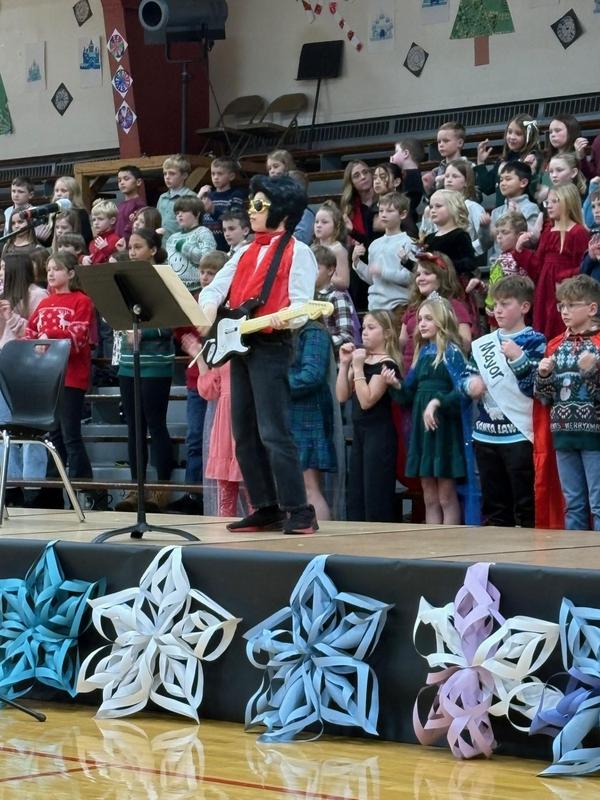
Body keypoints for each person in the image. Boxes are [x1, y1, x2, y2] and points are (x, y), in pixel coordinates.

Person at [198, 175, 318, 535]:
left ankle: (300, 509)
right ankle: (266, 506)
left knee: (273, 431)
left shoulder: (299, 251)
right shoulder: (243, 251)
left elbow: (302, 304)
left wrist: (287, 317)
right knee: (244, 432)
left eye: (260, 205)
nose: (252, 211)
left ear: (283, 212)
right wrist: (208, 307)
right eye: (252, 203)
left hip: (271, 344)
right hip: (241, 344)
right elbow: (216, 287)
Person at [385, 296, 478, 525]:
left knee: (446, 496)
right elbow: (408, 395)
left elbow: (463, 392)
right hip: (424, 432)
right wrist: (395, 384)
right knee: (429, 496)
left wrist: (438, 402)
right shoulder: (423, 354)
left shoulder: (452, 353)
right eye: (420, 319)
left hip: (444, 432)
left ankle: (449, 540)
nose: (422, 324)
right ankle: (432, 541)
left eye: (428, 318)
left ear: (442, 321)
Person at [463, 276, 546, 527]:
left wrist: (518, 359)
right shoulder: (483, 345)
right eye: (495, 304)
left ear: (524, 307)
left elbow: (534, 388)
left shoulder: (536, 341)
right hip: (485, 435)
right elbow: (465, 378)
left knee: (525, 504)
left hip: (519, 434)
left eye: (505, 304)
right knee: (494, 507)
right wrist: (470, 385)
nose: (497, 310)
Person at [114, 229, 175, 513]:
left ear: (153, 249)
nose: (132, 252)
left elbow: (170, 323)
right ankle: (135, 488)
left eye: (138, 247)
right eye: (130, 247)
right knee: (133, 427)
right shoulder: (123, 280)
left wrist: (144, 333)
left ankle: (162, 489)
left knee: (155, 423)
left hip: (156, 364)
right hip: (129, 362)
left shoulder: (164, 278)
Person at [534, 275, 600, 530]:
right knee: (573, 504)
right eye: (562, 305)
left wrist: (592, 372)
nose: (564, 311)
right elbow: (545, 398)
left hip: (594, 438)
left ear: (592, 309)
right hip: (563, 436)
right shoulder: (555, 346)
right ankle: (576, 554)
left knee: (598, 504)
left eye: (572, 305)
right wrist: (543, 376)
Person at [25, 252, 95, 489]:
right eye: (48, 270)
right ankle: (55, 489)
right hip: (47, 377)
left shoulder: (82, 301)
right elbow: (30, 333)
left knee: (70, 434)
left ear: (71, 273)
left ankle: (85, 488)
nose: (51, 273)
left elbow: (78, 338)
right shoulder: (45, 303)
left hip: (72, 377)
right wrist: (38, 342)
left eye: (57, 269)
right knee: (53, 436)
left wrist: (49, 336)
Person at [172, 249, 229, 515]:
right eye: (203, 272)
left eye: (211, 273)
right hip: (197, 380)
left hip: (223, 384)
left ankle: (217, 495)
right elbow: (181, 332)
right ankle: (193, 494)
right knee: (195, 438)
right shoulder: (195, 301)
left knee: (221, 442)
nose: (205, 278)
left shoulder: (227, 307)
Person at [336, 311, 401, 522]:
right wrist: (345, 364)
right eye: (363, 328)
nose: (364, 332)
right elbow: (341, 395)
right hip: (360, 433)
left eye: (371, 328)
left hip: (379, 434)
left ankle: (379, 533)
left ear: (387, 333)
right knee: (357, 492)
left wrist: (357, 368)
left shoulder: (387, 364)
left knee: (375, 492)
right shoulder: (362, 360)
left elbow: (366, 400)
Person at [0, 253, 48, 507]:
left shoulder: (38, 295)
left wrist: (12, 317)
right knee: (2, 428)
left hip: (29, 370)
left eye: (2, 268)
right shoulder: (4, 295)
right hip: (4, 366)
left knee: (30, 430)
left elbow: (38, 334)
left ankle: (33, 487)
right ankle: (9, 484)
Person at [514, 184, 590, 340]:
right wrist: (520, 250)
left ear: (568, 202)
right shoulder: (548, 231)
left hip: (565, 291)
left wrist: (565, 277)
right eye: (547, 202)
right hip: (544, 289)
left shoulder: (578, 232)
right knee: (544, 328)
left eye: (555, 201)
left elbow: (583, 267)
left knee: (562, 326)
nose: (549, 206)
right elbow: (537, 267)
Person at [289, 320, 337, 521]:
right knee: (296, 489)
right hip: (293, 414)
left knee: (310, 488)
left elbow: (312, 375)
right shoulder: (292, 331)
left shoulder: (314, 332)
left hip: (309, 415)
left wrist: (276, 384)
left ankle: (321, 535)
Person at [400, 251, 472, 374]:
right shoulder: (413, 307)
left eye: (427, 273)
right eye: (418, 274)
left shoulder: (454, 306)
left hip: (437, 373)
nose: (420, 279)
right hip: (410, 373)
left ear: (441, 277)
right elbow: (402, 342)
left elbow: (465, 343)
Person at [352, 191, 416, 322]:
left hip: (398, 306)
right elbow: (373, 279)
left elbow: (411, 277)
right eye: (381, 211)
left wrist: (383, 271)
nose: (384, 214)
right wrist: (357, 263)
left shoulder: (408, 243)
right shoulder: (374, 244)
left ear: (403, 214)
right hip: (375, 306)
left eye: (390, 211)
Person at [479, 162, 542, 262]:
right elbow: (485, 245)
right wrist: (484, 228)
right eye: (501, 180)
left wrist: (519, 218)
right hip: (497, 265)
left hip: (520, 264)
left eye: (508, 179)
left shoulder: (531, 208)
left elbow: (532, 242)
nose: (503, 183)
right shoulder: (496, 212)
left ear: (523, 182)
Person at [475, 113, 540, 205]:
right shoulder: (504, 160)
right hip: (501, 213)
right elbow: (487, 188)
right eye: (509, 132)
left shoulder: (532, 159)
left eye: (518, 134)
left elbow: (535, 192)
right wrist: (481, 162)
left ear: (529, 136)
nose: (512, 137)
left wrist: (532, 172)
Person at [340, 160, 378, 312]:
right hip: (359, 259)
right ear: (351, 183)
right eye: (357, 175)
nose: (363, 177)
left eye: (365, 172)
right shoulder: (349, 209)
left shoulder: (383, 201)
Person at [484, 211, 529, 325]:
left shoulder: (522, 258)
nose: (499, 237)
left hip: (512, 317)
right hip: (495, 312)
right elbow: (494, 283)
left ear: (520, 235)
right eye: (498, 232)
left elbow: (522, 290)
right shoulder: (500, 257)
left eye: (504, 232)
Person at [313, 244, 358, 356]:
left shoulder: (337, 297)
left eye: (316, 268)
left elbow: (347, 337)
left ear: (330, 270)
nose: (311, 271)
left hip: (331, 360)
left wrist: (319, 343)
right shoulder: (305, 296)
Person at [165, 196, 216, 292]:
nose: (179, 215)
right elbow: (168, 263)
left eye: (184, 211)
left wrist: (184, 247)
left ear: (197, 214)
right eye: (177, 213)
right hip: (175, 289)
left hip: (197, 289)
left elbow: (208, 261)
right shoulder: (172, 238)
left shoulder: (203, 232)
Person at [201, 157, 246, 251]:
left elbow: (234, 220)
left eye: (220, 174)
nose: (215, 177)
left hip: (226, 246)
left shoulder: (236, 195)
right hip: (206, 245)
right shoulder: (208, 195)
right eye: (213, 174)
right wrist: (198, 197)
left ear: (231, 176)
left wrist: (213, 210)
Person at [157, 155, 198, 243]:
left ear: (184, 175)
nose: (167, 177)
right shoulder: (162, 197)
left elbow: (194, 226)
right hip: (162, 245)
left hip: (181, 244)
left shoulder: (191, 197)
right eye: (165, 173)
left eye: (172, 173)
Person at [312, 200, 350, 289]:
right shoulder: (312, 248)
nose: (318, 225)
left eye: (324, 222)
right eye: (316, 222)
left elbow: (344, 282)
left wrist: (323, 277)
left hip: (333, 294)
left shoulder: (338, 249)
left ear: (336, 226)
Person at [389, 138, 425, 226]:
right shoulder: (415, 174)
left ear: (405, 153)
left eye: (396, 152)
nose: (393, 156)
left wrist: (391, 169)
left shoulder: (411, 176)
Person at [82, 199, 120, 264]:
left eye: (100, 219)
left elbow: (117, 261)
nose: (96, 223)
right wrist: (83, 259)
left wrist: (105, 249)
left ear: (112, 220)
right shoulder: (93, 242)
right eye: (94, 220)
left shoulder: (115, 239)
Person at [115, 165, 146, 243]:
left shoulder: (139, 204)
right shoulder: (119, 205)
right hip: (117, 244)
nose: (122, 183)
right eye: (119, 180)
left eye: (126, 179)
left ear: (138, 182)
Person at [580, 186, 600, 283]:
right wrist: (591, 257)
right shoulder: (595, 237)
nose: (596, 210)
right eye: (593, 206)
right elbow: (583, 272)